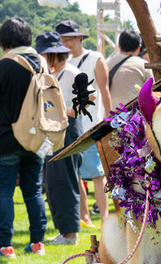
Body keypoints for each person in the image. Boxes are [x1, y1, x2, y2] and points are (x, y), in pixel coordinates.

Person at [0, 17, 48, 258]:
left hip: (8, 138)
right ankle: (38, 243)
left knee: (4, 192)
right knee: (33, 190)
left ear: (4, 40)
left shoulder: (4, 65)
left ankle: (6, 246)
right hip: (37, 137)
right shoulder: (42, 63)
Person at [56, 20, 111, 226]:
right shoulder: (60, 64)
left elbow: (104, 92)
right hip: (68, 128)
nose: (65, 43)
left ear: (79, 38)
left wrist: (110, 120)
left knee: (97, 174)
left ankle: (104, 218)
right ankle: (84, 216)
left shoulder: (95, 58)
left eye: (69, 38)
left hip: (92, 125)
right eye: (62, 39)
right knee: (75, 175)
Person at [36, 31, 83, 245]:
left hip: (69, 129)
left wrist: (66, 114)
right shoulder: (57, 73)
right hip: (55, 130)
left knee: (65, 180)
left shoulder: (72, 72)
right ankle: (64, 231)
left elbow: (88, 97)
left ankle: (71, 234)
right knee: (53, 181)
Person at [106, 31, 154, 111]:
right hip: (134, 117)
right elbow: (152, 91)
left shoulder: (107, 63)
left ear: (119, 46)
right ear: (139, 48)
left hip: (111, 116)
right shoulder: (144, 65)